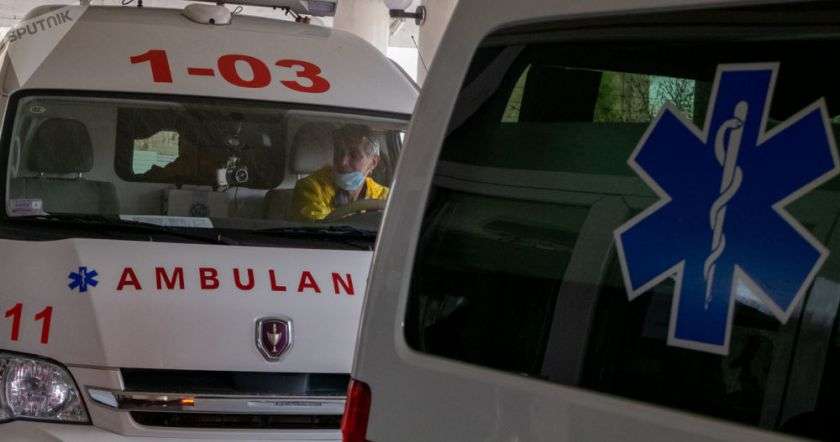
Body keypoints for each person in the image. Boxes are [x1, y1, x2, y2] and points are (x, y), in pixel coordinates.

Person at [290, 124, 388, 221]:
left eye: (354, 156)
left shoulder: (384, 197)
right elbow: (319, 228)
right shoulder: (310, 188)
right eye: (339, 152)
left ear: (373, 162)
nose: (342, 162)